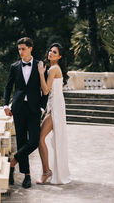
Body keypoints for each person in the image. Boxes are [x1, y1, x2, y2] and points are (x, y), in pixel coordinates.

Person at [4, 37, 48, 188]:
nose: (20, 52)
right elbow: (8, 87)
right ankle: (27, 176)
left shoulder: (40, 66)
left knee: (34, 141)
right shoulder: (14, 66)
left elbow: (45, 90)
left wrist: (42, 108)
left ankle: (12, 163)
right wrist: (5, 105)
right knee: (22, 141)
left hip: (34, 109)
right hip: (18, 109)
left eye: (23, 49)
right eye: (19, 49)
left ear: (30, 48)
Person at [37, 43, 71, 185]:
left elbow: (45, 90)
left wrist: (40, 73)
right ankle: (47, 171)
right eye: (50, 50)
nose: (51, 53)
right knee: (41, 139)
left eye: (54, 52)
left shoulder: (53, 69)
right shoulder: (55, 68)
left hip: (56, 108)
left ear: (59, 56)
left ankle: (46, 172)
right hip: (55, 107)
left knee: (40, 139)